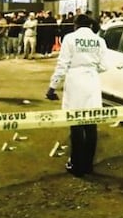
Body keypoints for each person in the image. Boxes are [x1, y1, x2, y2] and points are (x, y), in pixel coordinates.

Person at [46, 14, 110, 177]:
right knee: (91, 125)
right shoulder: (99, 40)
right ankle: (88, 165)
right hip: (92, 82)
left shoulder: (70, 39)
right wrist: (91, 69)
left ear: (76, 25)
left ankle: (76, 164)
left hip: (75, 82)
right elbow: (105, 66)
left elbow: (62, 64)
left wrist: (52, 87)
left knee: (76, 125)